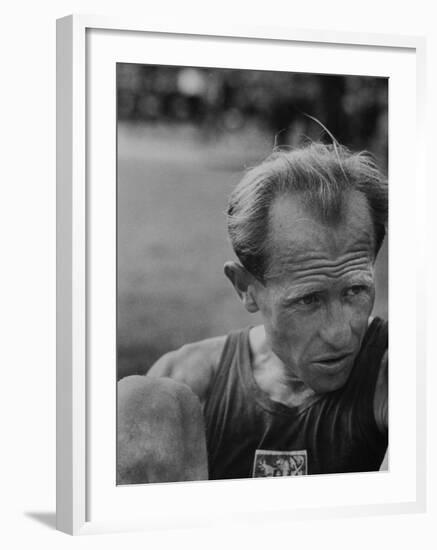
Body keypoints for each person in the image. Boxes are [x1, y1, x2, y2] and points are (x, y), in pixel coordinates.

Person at [117, 142, 388, 484]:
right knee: (143, 400)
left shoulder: (394, 376)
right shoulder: (189, 382)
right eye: (308, 300)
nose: (339, 333)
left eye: (355, 291)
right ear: (245, 287)